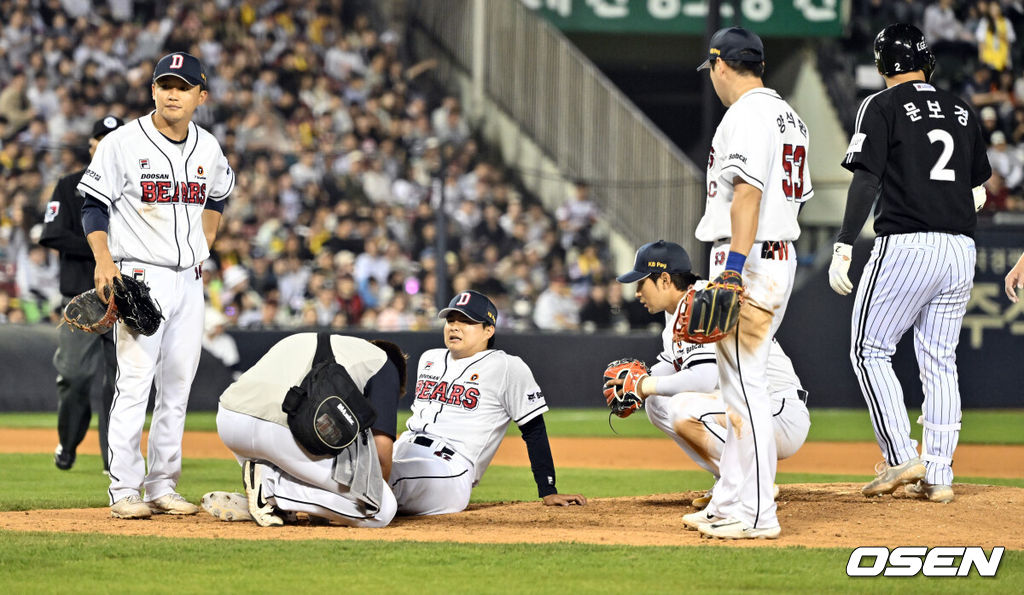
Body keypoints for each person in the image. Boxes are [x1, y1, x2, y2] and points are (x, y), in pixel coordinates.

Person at [828, 24, 991, 504]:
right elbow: (979, 188)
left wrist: (843, 242)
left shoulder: (880, 106)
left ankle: (901, 455)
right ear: (927, 61)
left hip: (908, 245)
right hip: (960, 247)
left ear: (882, 66)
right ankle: (939, 474)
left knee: (868, 349)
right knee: (939, 360)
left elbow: (865, 180)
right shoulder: (962, 110)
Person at [77, 53, 234, 519]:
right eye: (165, 84)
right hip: (141, 276)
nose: (172, 92)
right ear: (152, 91)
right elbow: (93, 205)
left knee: (178, 386)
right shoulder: (122, 143)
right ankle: (124, 488)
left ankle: (162, 485)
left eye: (182, 86)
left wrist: (207, 238)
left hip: (190, 281)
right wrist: (104, 260)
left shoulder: (208, 147)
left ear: (199, 96)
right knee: (135, 383)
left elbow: (221, 192)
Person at [692, 27, 812, 539]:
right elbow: (797, 196)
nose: (712, 80)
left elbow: (747, 195)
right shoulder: (790, 117)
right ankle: (729, 500)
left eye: (712, 70)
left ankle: (759, 514)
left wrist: (735, 268)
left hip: (750, 259)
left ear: (721, 66)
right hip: (773, 255)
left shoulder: (745, 114)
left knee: (745, 390)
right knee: (736, 385)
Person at [611, 241, 810, 512]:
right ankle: (727, 480)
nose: (636, 293)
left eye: (641, 283)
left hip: (778, 411)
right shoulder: (677, 313)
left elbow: (703, 378)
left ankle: (749, 482)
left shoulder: (704, 302)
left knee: (681, 407)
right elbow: (672, 365)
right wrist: (633, 382)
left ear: (665, 279)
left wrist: (645, 384)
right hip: (749, 409)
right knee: (657, 404)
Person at [389, 290, 586, 515]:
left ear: (488, 330)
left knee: (382, 479)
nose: (454, 326)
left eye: (466, 321)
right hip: (402, 449)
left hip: (448, 466)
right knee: (353, 465)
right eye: (451, 320)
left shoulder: (506, 366)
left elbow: (534, 429)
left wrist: (548, 488)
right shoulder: (429, 359)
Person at [202, 333, 405, 528]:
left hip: (229, 421)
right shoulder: (385, 364)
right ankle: (270, 486)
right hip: (276, 431)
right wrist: (374, 495)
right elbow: (381, 456)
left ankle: (273, 503)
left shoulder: (305, 340)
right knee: (382, 510)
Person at [39, 115, 124, 472]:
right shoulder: (70, 185)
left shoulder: (131, 188)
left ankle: (114, 460)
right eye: (99, 140)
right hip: (81, 299)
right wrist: (101, 249)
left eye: (112, 139)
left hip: (122, 299)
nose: (105, 145)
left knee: (120, 384)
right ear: (91, 147)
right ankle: (69, 440)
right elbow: (50, 234)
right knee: (74, 376)